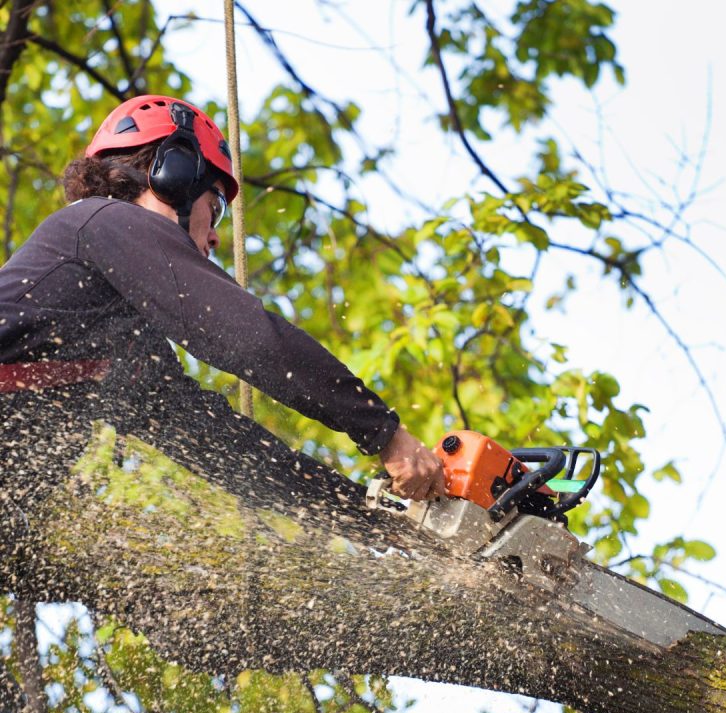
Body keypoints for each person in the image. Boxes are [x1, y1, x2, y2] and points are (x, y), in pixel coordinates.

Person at [0, 94, 445, 536]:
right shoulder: (103, 220)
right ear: (174, 174)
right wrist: (385, 433)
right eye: (214, 209)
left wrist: (379, 522)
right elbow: (252, 339)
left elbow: (222, 446)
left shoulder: (124, 347)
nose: (214, 237)